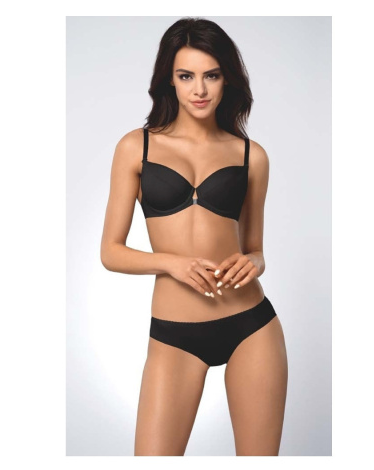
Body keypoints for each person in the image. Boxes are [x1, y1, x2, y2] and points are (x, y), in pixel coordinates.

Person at [100, 17, 288, 456]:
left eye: (211, 75)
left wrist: (255, 262)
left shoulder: (251, 156)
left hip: (251, 325)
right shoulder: (137, 147)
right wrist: (171, 263)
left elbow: (256, 250)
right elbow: (110, 252)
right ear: (170, 79)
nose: (199, 89)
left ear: (227, 80)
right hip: (175, 334)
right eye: (186, 76)